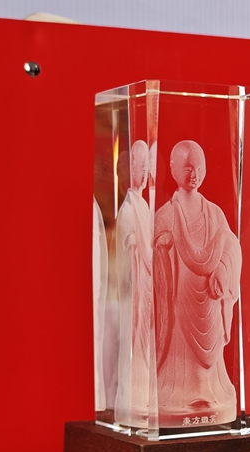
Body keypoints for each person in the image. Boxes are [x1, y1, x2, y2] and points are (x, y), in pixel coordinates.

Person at [153, 140, 240, 426]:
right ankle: (178, 393)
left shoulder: (214, 213)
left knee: (210, 362)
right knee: (180, 350)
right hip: (179, 296)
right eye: (188, 168)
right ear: (173, 169)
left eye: (200, 168)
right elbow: (152, 259)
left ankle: (210, 392)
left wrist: (223, 271)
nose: (194, 175)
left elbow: (231, 245)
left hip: (211, 295)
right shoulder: (165, 215)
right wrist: (161, 249)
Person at [113, 140, 153, 426]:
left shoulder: (144, 204)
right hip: (135, 290)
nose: (145, 172)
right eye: (141, 166)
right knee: (134, 341)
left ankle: (145, 396)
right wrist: (141, 246)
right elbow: (130, 246)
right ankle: (132, 398)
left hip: (147, 286)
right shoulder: (127, 209)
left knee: (146, 344)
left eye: (147, 166)